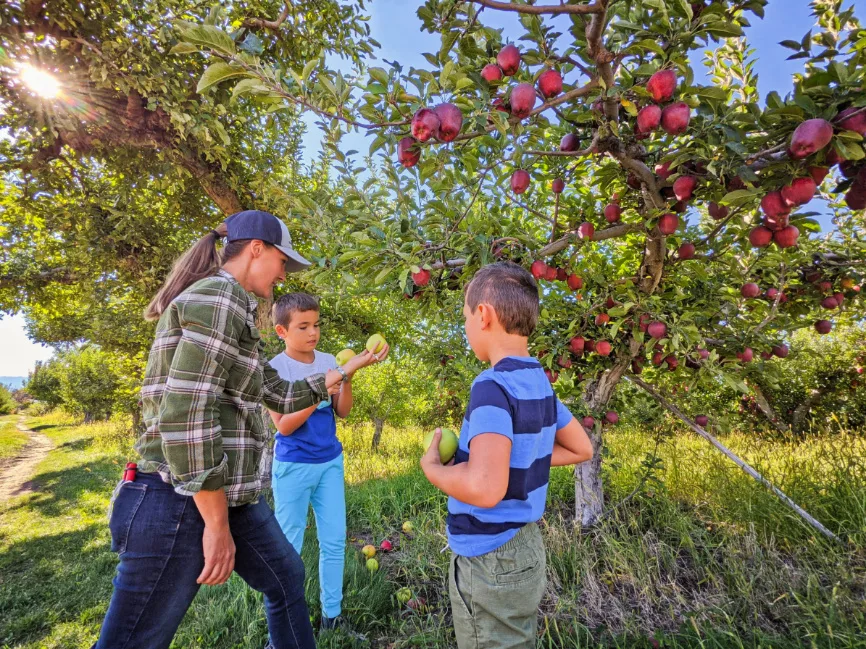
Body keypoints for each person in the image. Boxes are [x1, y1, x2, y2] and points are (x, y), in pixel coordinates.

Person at [93, 210, 388, 649]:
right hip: (178, 498)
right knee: (133, 640)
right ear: (256, 249)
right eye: (283, 261)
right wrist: (215, 526)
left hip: (231, 496)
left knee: (286, 578)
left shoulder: (236, 310)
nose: (283, 274)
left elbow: (281, 394)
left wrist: (347, 370)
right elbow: (187, 415)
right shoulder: (220, 298)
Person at [420, 261, 594, 649]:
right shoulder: (539, 382)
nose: (466, 326)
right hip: (526, 547)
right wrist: (517, 459)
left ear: (482, 315)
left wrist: (432, 468)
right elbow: (581, 448)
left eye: (465, 316)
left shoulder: (491, 386)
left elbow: (485, 489)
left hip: (489, 557)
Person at [266, 293, 355, 633]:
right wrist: (323, 386)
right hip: (294, 468)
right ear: (281, 331)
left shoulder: (329, 360)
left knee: (334, 541)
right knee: (289, 549)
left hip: (329, 463)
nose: (312, 332)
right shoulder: (276, 369)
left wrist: (345, 378)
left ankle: (332, 617)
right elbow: (285, 425)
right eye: (302, 326)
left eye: (316, 324)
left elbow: (343, 411)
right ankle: (286, 625)